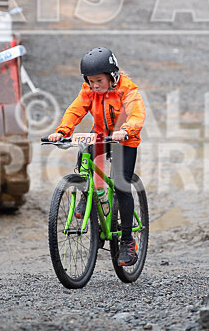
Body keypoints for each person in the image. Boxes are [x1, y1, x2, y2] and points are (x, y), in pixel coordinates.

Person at [47, 47, 145, 267]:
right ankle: (87, 193)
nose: (94, 86)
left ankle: (127, 242)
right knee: (85, 153)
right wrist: (63, 131)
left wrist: (127, 130)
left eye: (99, 80)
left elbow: (137, 114)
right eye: (90, 81)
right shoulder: (88, 90)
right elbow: (76, 110)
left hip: (124, 139)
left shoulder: (128, 89)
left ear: (112, 76)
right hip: (100, 134)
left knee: (120, 185)